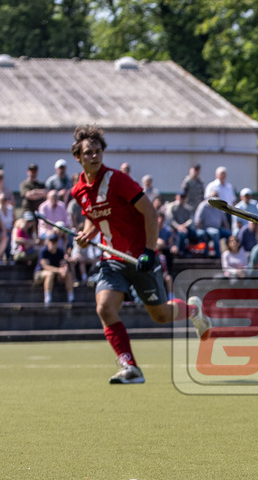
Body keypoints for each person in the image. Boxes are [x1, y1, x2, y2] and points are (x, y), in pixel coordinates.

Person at [68, 124, 211, 384]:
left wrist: (149, 251)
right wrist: (87, 233)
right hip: (112, 260)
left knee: (159, 315)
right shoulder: (77, 191)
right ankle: (130, 366)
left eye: (98, 151)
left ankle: (192, 310)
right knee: (104, 308)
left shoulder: (118, 180)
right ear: (78, 157)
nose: (95, 156)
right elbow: (94, 217)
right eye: (88, 153)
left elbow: (150, 212)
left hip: (141, 257)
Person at [34, 234, 75, 306]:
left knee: (68, 274)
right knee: (50, 274)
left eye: (55, 241)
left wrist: (64, 269)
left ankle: (71, 298)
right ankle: (47, 299)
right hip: (40, 274)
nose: (53, 243)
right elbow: (45, 267)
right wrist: (59, 270)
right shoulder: (43, 251)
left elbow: (62, 264)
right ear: (48, 242)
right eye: (51, 241)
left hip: (55, 275)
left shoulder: (60, 251)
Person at [193, 187, 231, 257]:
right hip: (206, 228)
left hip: (218, 228)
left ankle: (230, 253)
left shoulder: (219, 206)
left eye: (216, 197)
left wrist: (227, 228)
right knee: (215, 233)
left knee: (229, 234)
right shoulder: (203, 206)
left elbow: (224, 220)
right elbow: (197, 221)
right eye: (213, 197)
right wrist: (202, 231)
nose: (215, 198)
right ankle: (218, 256)